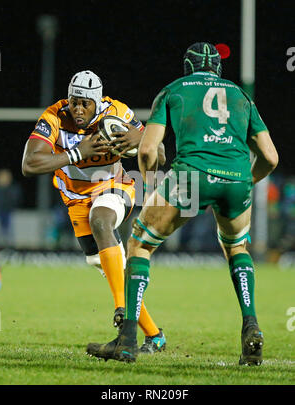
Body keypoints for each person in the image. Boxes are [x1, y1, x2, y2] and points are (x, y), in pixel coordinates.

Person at [89, 43, 279, 365]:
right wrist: (245, 182)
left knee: (139, 245)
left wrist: (150, 187)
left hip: (191, 177)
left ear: (188, 67)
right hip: (235, 176)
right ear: (218, 69)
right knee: (237, 249)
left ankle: (128, 340)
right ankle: (251, 327)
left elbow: (148, 150)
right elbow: (271, 157)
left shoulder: (173, 90)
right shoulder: (240, 96)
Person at [22, 70, 166, 354]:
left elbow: (160, 154)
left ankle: (122, 311)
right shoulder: (54, 117)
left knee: (101, 221)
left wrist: (141, 139)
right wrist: (78, 152)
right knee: (107, 267)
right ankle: (154, 335)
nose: (77, 108)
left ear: (97, 102)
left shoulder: (118, 113)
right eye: (74, 101)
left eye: (84, 103)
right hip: (75, 198)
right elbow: (29, 164)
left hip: (114, 186)